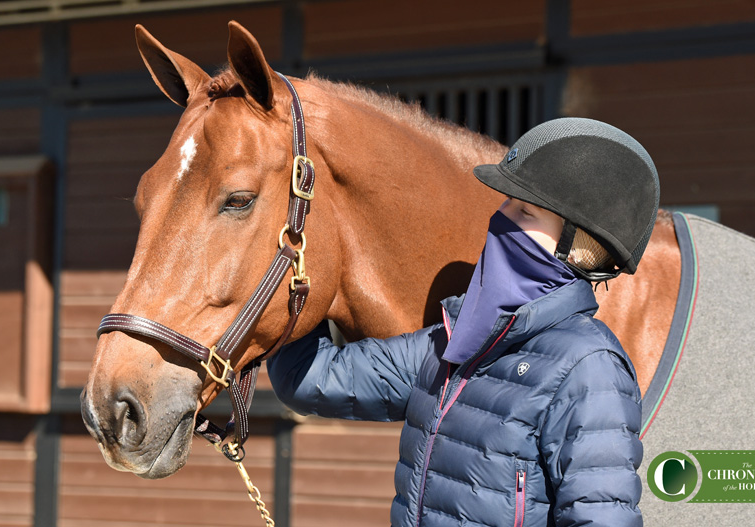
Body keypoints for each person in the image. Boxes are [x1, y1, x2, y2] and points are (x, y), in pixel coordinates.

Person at [268, 117, 659, 527]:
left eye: (524, 212)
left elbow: (601, 518)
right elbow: (310, 378)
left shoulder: (588, 366)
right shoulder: (450, 341)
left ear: (577, 251)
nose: (499, 217)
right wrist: (299, 267)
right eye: (507, 202)